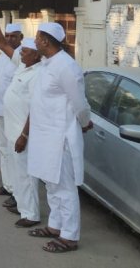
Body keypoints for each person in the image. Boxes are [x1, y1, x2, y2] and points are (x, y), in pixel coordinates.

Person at [24, 22, 92, 253]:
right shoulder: (46, 64)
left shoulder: (66, 66)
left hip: (59, 137)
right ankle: (55, 226)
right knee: (51, 184)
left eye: (37, 38)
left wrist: (84, 123)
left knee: (64, 188)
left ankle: (70, 237)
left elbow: (79, 104)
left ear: (45, 40)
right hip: (44, 136)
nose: (34, 42)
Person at [4, 38, 42, 228]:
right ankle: (22, 205)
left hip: (23, 133)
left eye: (25, 51)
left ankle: (31, 214)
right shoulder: (24, 66)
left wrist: (24, 135)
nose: (21, 53)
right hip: (11, 129)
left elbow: (36, 108)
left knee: (26, 175)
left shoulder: (38, 74)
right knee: (17, 172)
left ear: (36, 55)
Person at [0, 5, 24, 196]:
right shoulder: (2, 57)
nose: (9, 39)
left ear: (21, 39)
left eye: (14, 36)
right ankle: (8, 186)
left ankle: (17, 192)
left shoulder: (23, 58)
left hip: (13, 114)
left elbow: (1, 44)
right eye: (7, 36)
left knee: (13, 152)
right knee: (3, 149)